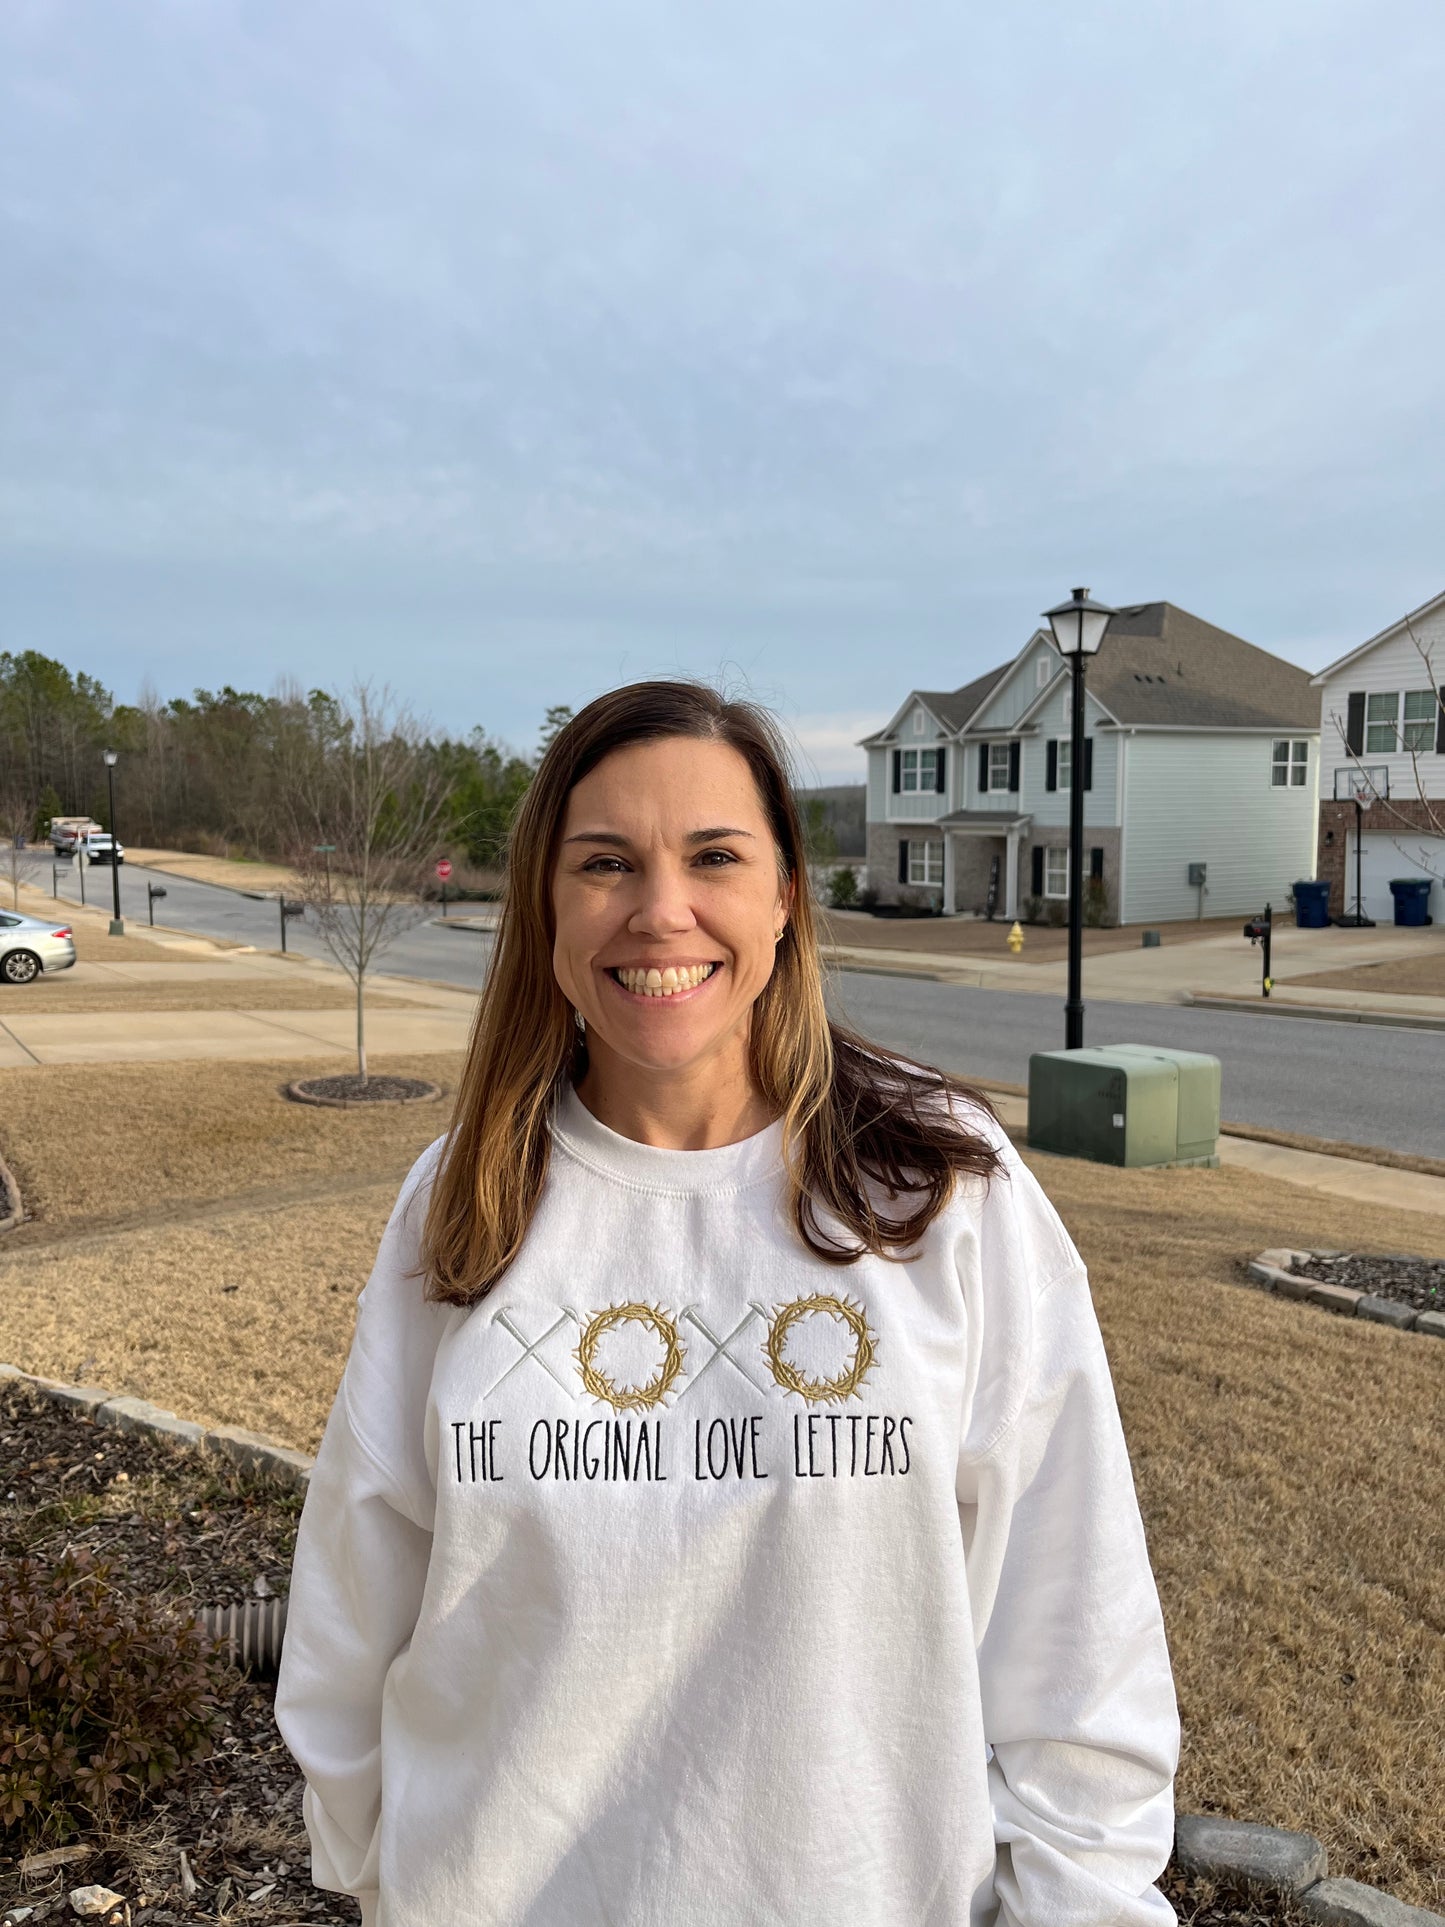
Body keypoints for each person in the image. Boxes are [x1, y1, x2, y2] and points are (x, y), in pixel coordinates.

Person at [275, 680, 1180, 1927]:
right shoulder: (466, 1196)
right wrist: (386, 1880)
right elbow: (352, 1604)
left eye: (712, 856)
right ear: (543, 906)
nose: (660, 911)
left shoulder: (935, 1190)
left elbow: (1075, 1630)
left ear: (783, 897)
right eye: (604, 863)